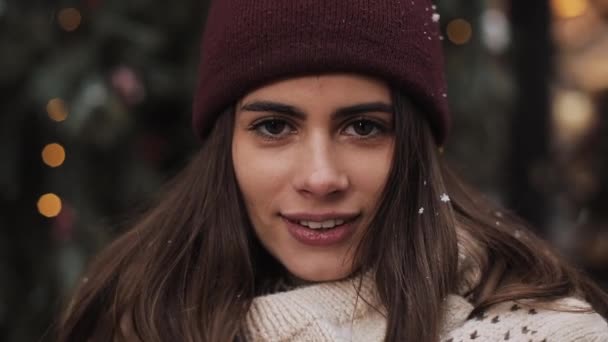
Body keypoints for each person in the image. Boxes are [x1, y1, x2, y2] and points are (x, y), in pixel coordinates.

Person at [57, 0, 608, 341]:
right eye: (274, 127)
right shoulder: (135, 317)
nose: (321, 178)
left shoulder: (545, 332)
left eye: (363, 128)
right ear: (226, 146)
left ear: (415, 147)